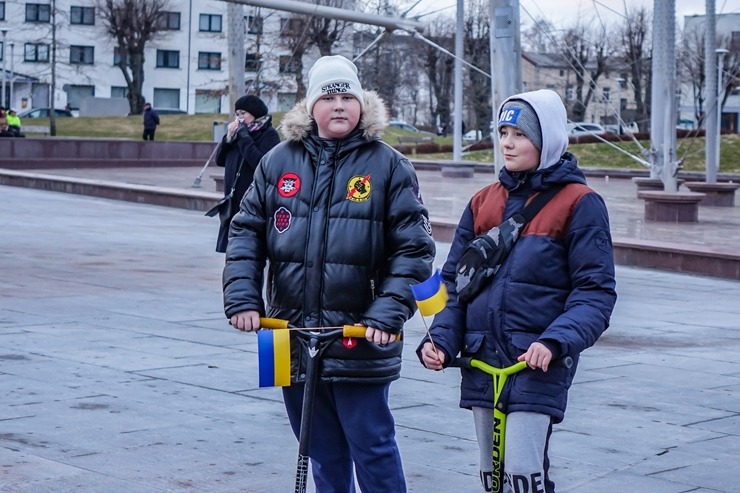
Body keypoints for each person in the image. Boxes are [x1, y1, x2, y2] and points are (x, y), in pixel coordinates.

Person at [223, 55, 435, 492]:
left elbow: (414, 250)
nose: (338, 105)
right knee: (317, 447)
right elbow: (245, 233)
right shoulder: (277, 161)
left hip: (359, 332)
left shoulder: (389, 165)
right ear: (310, 105)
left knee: (371, 445)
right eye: (328, 97)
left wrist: (387, 314)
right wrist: (243, 298)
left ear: (361, 104)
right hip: (285, 334)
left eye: (347, 97)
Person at [416, 89, 617, 493]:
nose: (507, 142)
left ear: (548, 140)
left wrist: (556, 341)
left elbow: (595, 292)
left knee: (522, 474)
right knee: (491, 475)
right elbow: (455, 285)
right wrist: (440, 340)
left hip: (535, 362)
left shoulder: (581, 203)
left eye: (520, 134)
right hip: (481, 362)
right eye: (503, 131)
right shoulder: (482, 202)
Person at [213, 94, 280, 253]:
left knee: (248, 249)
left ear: (255, 113)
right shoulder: (238, 134)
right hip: (233, 199)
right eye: (237, 114)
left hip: (253, 201)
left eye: (243, 113)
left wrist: (244, 137)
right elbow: (220, 160)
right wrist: (228, 139)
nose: (239, 118)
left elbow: (260, 163)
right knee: (232, 250)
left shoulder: (268, 134)